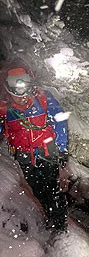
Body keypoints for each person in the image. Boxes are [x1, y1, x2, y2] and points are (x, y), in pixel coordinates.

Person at [0, 67, 69, 233]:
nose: (22, 98)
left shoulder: (43, 99)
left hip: (47, 153)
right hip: (24, 156)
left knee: (51, 187)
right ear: (10, 92)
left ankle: (59, 224)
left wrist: (62, 148)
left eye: (24, 93)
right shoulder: (5, 109)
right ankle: (49, 212)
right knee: (37, 188)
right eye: (17, 94)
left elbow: (60, 121)